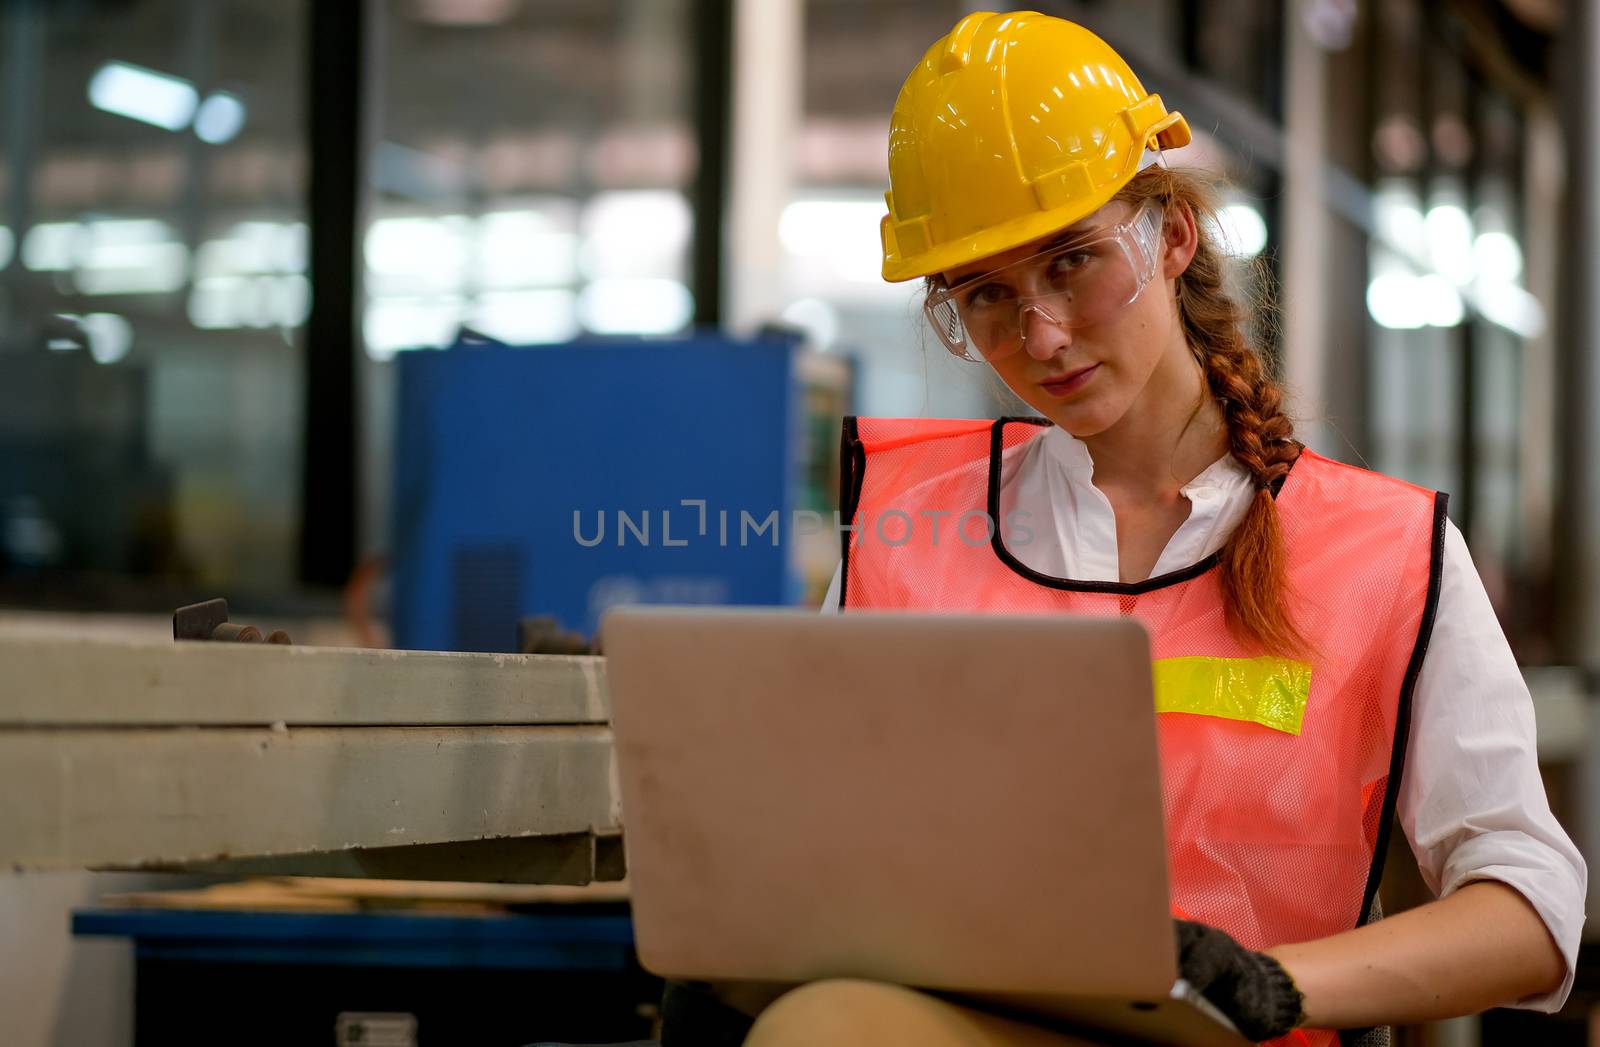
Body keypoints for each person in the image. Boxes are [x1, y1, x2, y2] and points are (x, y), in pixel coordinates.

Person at [662, 11, 1586, 1047]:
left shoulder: (1381, 553)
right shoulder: (906, 525)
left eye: (1072, 262)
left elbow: (1531, 908)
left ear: (1173, 236)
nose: (1041, 333)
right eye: (986, 295)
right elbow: (809, 829)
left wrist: (1270, 983)